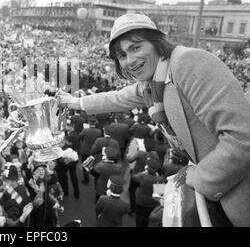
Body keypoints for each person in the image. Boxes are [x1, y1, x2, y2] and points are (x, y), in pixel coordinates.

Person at [57, 13, 250, 227]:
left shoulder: (188, 63)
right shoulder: (150, 83)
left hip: (238, 194)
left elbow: (242, 139)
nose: (129, 60)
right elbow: (115, 98)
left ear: (157, 43)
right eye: (122, 55)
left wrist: (196, 179)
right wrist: (76, 103)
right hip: (214, 195)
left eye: (136, 47)